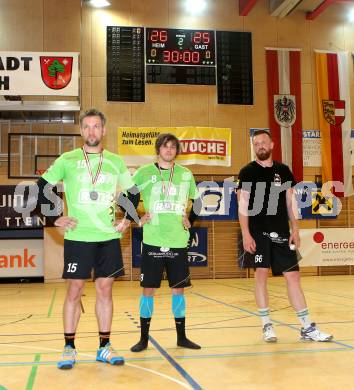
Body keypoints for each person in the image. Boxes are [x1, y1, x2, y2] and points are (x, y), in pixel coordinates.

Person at [38, 109, 135, 369]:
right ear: (81, 131)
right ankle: (69, 347)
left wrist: (127, 218)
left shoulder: (115, 161)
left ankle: (104, 346)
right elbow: (40, 187)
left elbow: (133, 193)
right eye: (87, 127)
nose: (92, 131)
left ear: (104, 131)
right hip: (79, 237)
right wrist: (53, 217)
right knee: (74, 289)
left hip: (107, 237)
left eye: (96, 127)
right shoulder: (67, 159)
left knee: (105, 289)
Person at [237, 129, 333, 342]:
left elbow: (291, 202)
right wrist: (245, 234)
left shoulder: (284, 170)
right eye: (256, 143)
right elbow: (242, 205)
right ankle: (266, 325)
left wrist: (295, 229)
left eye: (263, 142)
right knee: (261, 274)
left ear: (272, 145)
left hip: (281, 232)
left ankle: (307, 327)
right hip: (257, 233)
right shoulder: (247, 172)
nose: (260, 145)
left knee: (293, 276)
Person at [130, 133, 202, 352]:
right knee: (148, 290)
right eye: (165, 146)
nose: (169, 150)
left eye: (172, 147)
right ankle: (143, 339)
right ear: (158, 149)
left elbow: (197, 202)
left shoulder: (185, 174)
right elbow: (125, 198)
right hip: (153, 240)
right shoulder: (144, 172)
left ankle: (182, 337)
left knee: (178, 290)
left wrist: (189, 220)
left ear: (176, 151)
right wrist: (137, 218)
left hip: (177, 241)